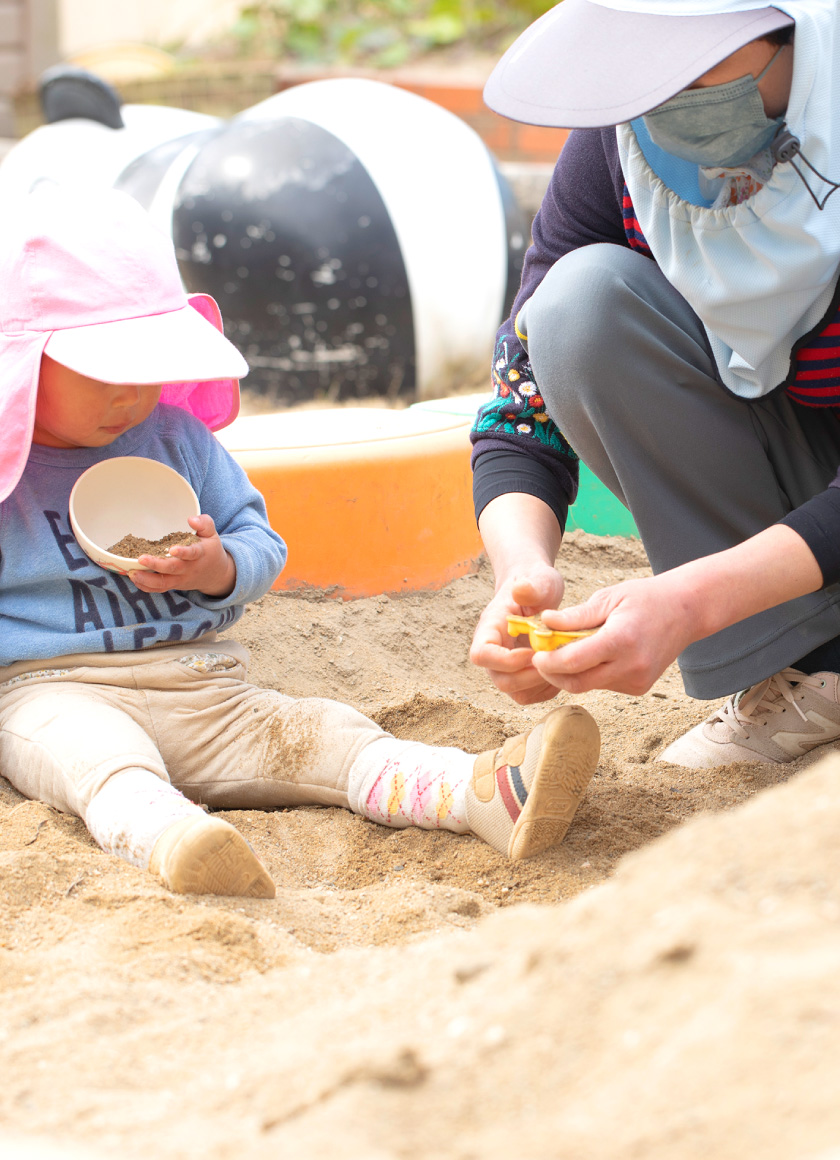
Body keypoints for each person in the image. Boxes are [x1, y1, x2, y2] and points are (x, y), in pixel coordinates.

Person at [0, 186, 600, 898]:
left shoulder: (175, 439)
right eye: (106, 370)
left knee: (323, 733)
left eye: (146, 363)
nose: (129, 395)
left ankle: (480, 793)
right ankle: (175, 841)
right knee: (96, 758)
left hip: (200, 682)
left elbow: (262, 543)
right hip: (48, 690)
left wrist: (218, 565)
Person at [469, 0, 840, 769]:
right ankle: (816, 668)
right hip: (805, 478)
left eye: (696, 59)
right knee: (577, 305)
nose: (664, 90)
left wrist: (690, 604)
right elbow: (523, 396)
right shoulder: (619, 147)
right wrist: (522, 576)